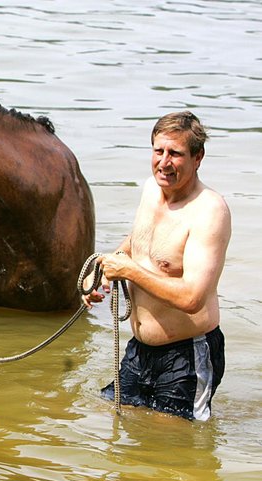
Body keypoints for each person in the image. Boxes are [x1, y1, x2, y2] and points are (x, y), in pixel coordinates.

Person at [84, 111, 231, 421]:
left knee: (175, 450)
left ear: (197, 157)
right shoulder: (152, 189)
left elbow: (192, 299)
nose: (164, 162)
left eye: (175, 154)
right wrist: (102, 275)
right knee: (107, 414)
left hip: (187, 355)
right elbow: (139, 241)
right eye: (158, 151)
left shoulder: (210, 212)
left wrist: (128, 271)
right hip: (140, 350)